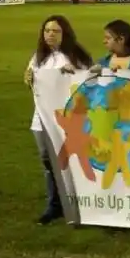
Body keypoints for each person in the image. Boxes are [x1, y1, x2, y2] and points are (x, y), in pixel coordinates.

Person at [24, 15, 92, 225]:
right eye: (47, 31)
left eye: (55, 31)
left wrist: (72, 75)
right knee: (48, 162)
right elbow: (32, 82)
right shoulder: (39, 57)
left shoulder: (75, 56)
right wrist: (27, 79)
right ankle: (55, 206)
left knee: (73, 162)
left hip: (70, 121)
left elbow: (89, 80)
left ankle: (82, 203)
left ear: (65, 33)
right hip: (42, 119)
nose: (50, 35)